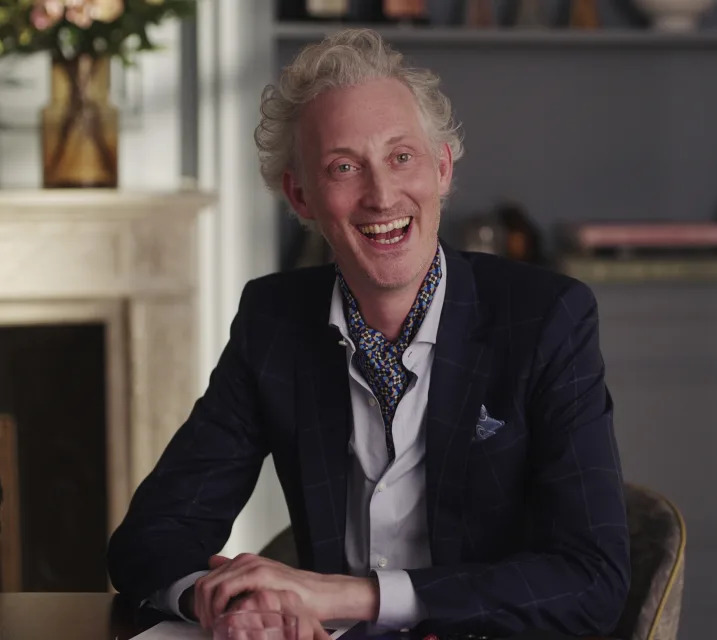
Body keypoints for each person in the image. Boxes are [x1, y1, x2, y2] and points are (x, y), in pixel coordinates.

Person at [107, 29, 629, 639]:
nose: (381, 196)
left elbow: (593, 579)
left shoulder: (547, 318)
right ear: (300, 196)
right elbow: (149, 538)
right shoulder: (273, 322)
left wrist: (349, 596)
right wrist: (224, 601)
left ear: (441, 169)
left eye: (402, 157)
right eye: (344, 167)